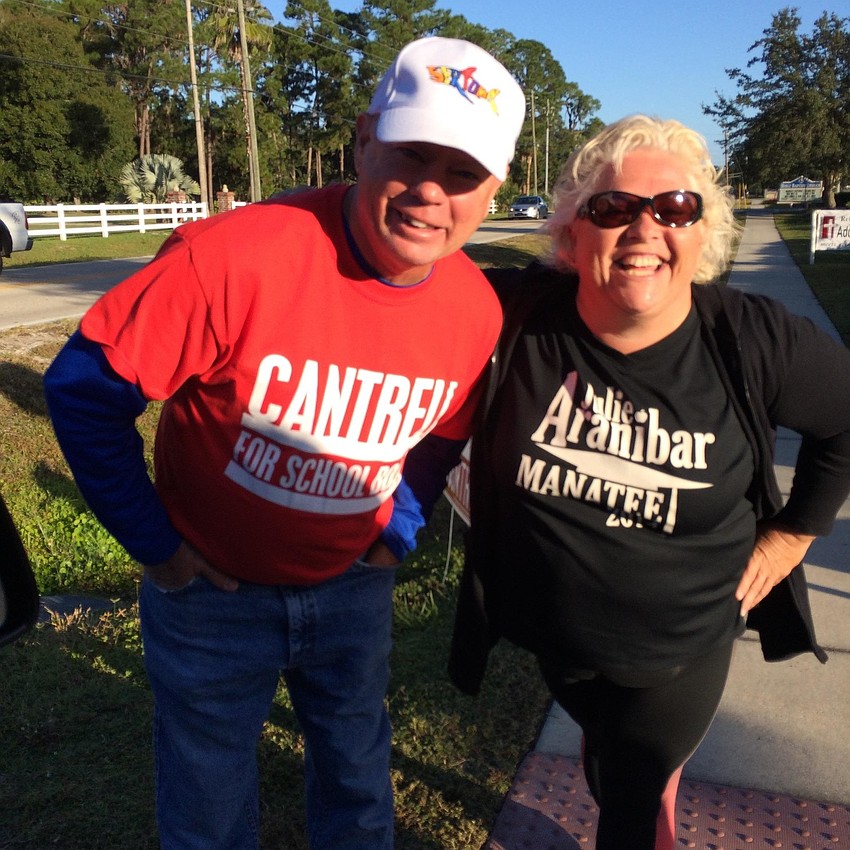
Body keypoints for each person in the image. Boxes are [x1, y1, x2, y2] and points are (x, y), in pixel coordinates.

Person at [42, 36, 525, 850]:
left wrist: (398, 529)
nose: (430, 193)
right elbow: (84, 390)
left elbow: (444, 432)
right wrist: (158, 547)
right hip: (211, 599)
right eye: (413, 153)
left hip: (351, 591)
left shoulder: (475, 308)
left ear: (494, 188)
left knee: (358, 779)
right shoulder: (235, 257)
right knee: (208, 804)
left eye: (463, 172)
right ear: (366, 139)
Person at [443, 115, 850, 850]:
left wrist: (793, 534)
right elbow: (390, 275)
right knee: (612, 761)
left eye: (675, 209)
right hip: (557, 643)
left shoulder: (754, 340)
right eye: (613, 208)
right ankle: (622, 761)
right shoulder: (517, 315)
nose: (645, 228)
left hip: (678, 650)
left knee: (629, 806)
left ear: (702, 235)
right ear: (570, 236)